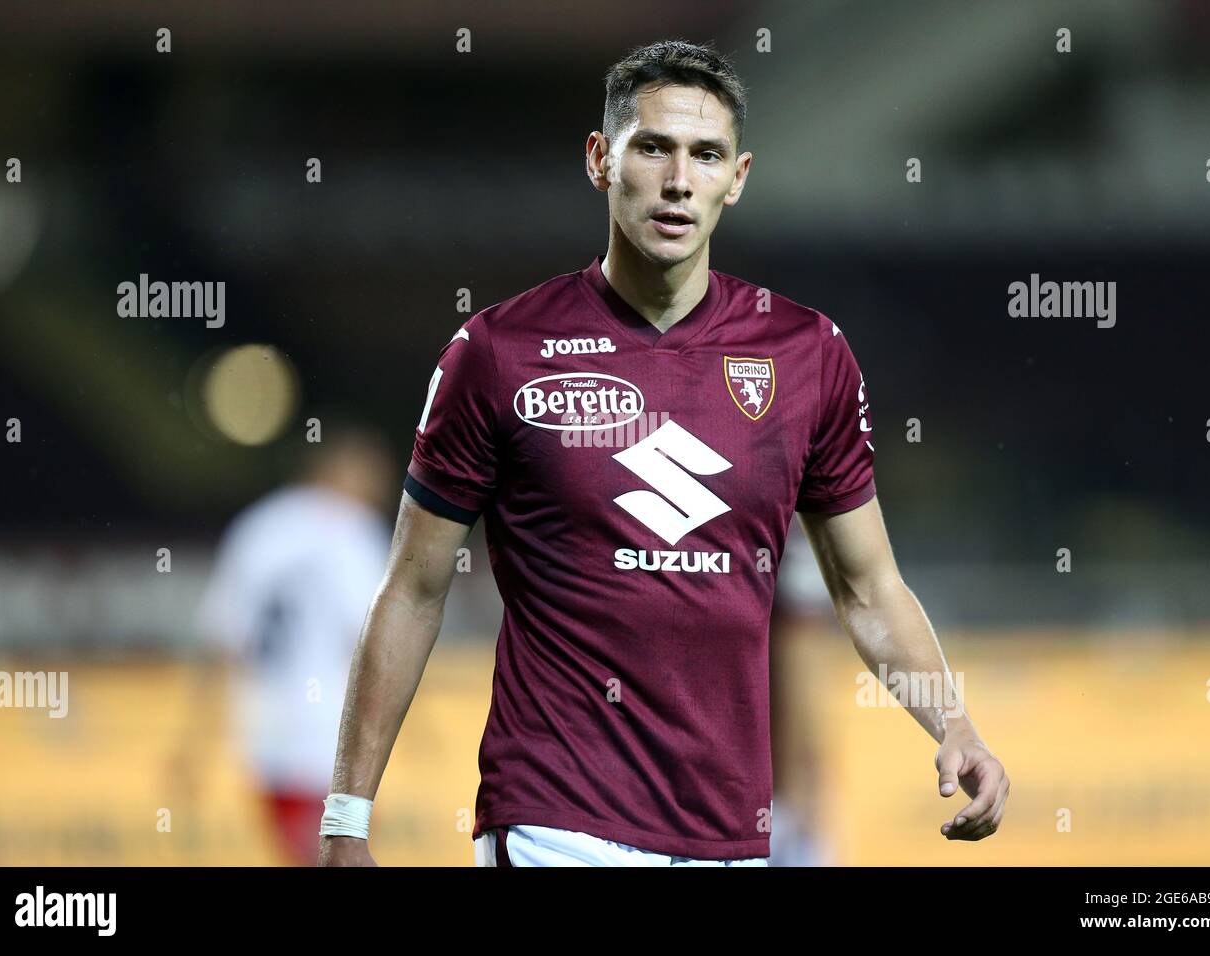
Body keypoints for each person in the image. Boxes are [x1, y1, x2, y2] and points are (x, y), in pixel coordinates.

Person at [319, 39, 1009, 867]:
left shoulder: (807, 354)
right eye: (654, 148)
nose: (679, 179)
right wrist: (347, 817)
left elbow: (868, 587)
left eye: (706, 155)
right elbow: (413, 589)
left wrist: (954, 721)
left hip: (731, 838)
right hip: (555, 824)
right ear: (600, 160)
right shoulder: (498, 351)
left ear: (738, 177)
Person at [178, 424, 397, 865]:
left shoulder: (258, 527)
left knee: (304, 856)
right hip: (332, 737)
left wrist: (195, 742)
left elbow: (222, 643)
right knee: (333, 855)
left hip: (266, 735)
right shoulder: (352, 529)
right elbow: (377, 641)